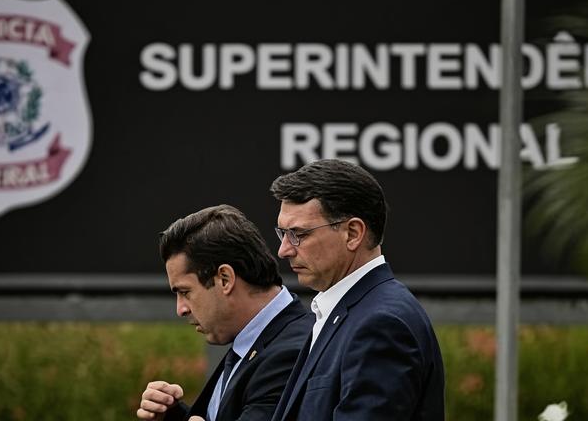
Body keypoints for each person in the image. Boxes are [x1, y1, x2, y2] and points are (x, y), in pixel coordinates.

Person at [269, 159, 445, 421]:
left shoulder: (380, 324)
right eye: (282, 233)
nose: (284, 250)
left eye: (299, 234)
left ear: (352, 233)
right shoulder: (354, 312)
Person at [137, 204, 313, 421]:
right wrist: (171, 416)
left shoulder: (291, 352)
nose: (181, 309)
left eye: (185, 291)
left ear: (225, 279)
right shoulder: (253, 342)